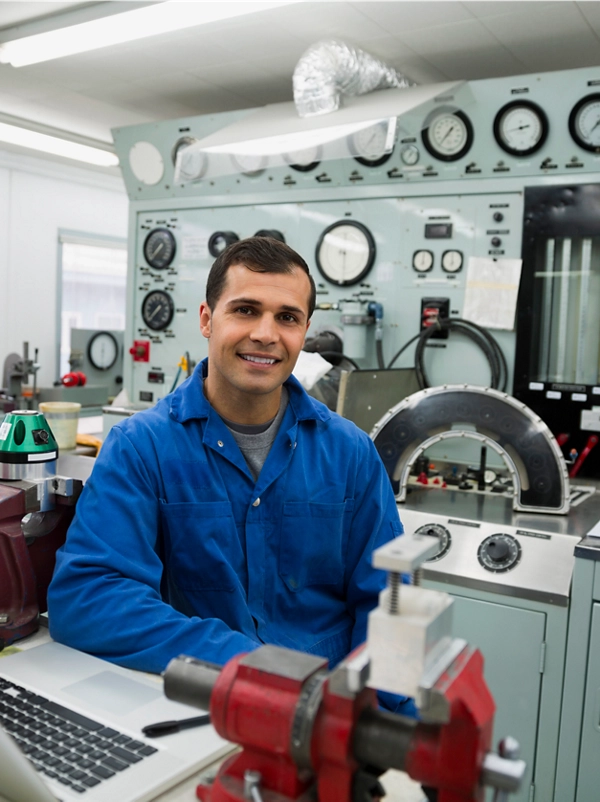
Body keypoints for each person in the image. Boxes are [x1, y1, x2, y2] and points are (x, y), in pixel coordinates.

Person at [48, 236, 411, 714]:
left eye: (287, 317)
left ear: (304, 332)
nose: (266, 334)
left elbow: (389, 602)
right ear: (206, 319)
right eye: (245, 310)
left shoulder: (350, 452)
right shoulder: (142, 447)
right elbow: (88, 597)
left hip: (331, 713)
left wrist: (385, 718)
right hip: (204, 708)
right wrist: (248, 662)